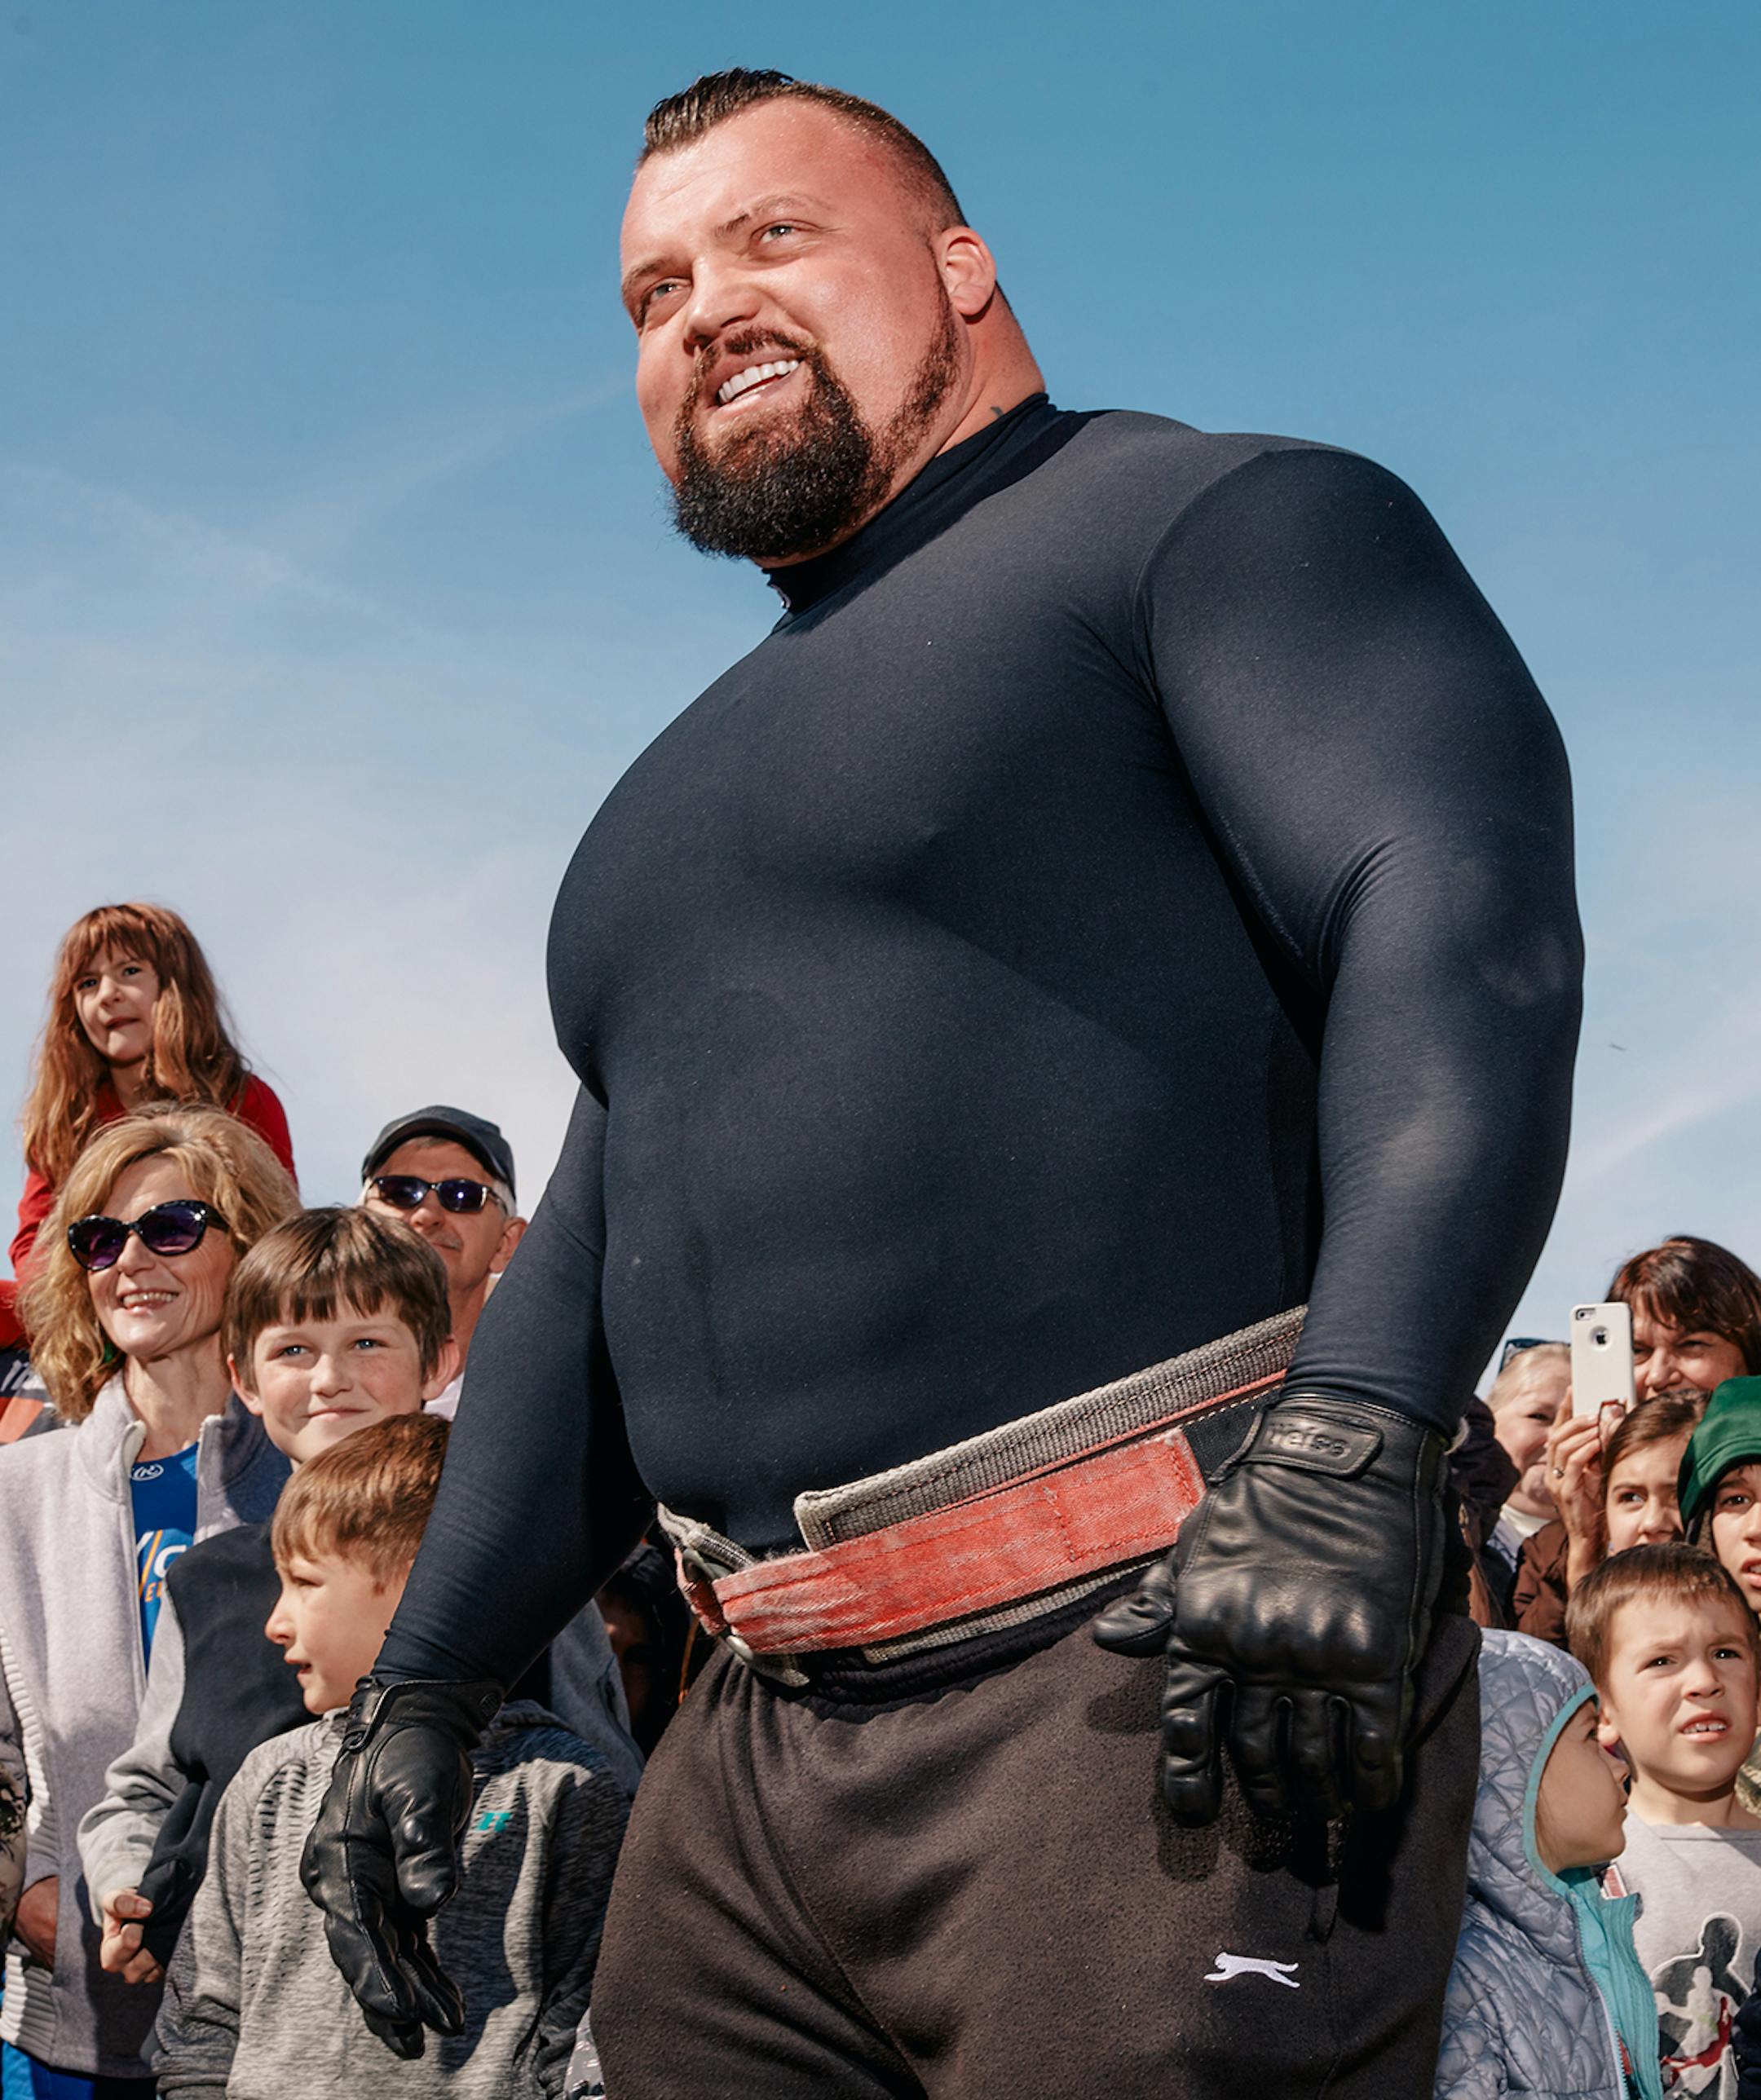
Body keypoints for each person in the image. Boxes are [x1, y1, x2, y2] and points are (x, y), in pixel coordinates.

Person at [304, 69, 1582, 2097]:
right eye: (648, 292)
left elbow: (1447, 907)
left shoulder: (1212, 518)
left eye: (769, 239)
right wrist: (430, 1691)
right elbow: (589, 1277)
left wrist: (1359, 1430)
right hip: (745, 1770)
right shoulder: (650, 815)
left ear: (962, 268)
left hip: (1163, 1670)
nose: (698, 308)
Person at [154, 1415, 628, 2099]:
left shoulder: (564, 1789)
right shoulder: (268, 1781)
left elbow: (581, 2038)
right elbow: (202, 2020)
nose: (274, 1621)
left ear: (423, 1590)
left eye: (306, 1583)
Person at [74, 1207, 461, 1984]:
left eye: (367, 1343)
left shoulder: (504, 1557)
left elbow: (593, 1775)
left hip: (455, 2006)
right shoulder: (206, 1581)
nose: (328, 1378)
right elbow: (146, 1787)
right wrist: (123, 1887)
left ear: (438, 1363)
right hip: (232, 2019)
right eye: (293, 1350)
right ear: (244, 1379)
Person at [0, 1105, 298, 2097]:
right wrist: (21, 1894)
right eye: (99, 1237)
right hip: (60, 2034)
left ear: (248, 1247)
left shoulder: (321, 1484)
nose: (131, 1259)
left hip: (282, 2029)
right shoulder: (14, 1492)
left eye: (172, 1226)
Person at [1, 905, 297, 1363]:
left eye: (130, 971)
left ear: (178, 986)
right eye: (88, 983)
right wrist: (79, 1304)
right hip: (89, 1301)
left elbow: (275, 1234)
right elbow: (31, 1242)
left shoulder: (243, 1101)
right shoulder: (67, 1116)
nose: (108, 996)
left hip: (209, 1310)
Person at [1435, 1628, 1661, 2100]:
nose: (1621, 1767)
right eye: (1589, 1736)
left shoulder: (1577, 1935)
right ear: (1514, 1773)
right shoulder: (1465, 1978)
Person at [1569, 1544, 1761, 2097]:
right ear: (1602, 1709)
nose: (1703, 1680)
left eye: (1726, 1652)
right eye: (1662, 1661)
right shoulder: (1586, 1872)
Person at [358, 1107, 526, 1417]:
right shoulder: (293, 1386)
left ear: (507, 1243)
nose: (427, 1216)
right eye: (400, 1191)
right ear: (356, 1223)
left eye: (462, 1194)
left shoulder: (545, 1407)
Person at [1514, 1392, 1706, 1645]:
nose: (1652, 1523)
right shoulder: (1546, 1555)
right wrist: (1584, 1548)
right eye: (1631, 1498)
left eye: (1677, 1496)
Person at [1483, 1340, 1570, 1610]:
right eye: (1540, 1416)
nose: (1557, 1436)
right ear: (1489, 1420)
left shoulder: (1628, 1538)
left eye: (1576, 1420)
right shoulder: (1448, 1529)